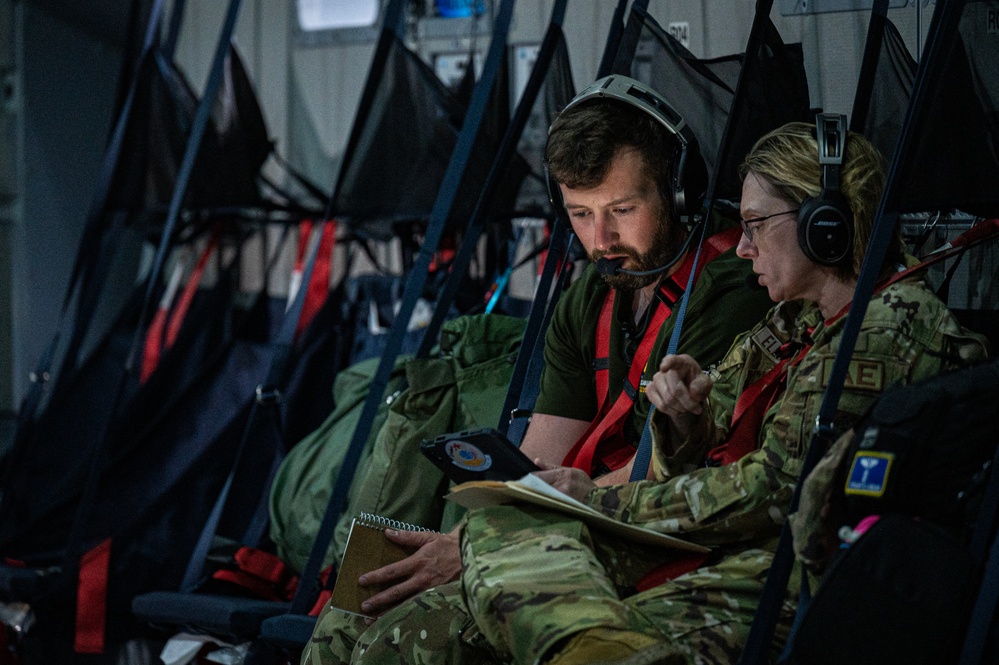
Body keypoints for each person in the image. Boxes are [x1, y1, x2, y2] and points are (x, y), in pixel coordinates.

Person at [335, 118, 989, 665]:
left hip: (769, 572)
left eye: (758, 224)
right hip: (695, 546)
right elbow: (697, 444)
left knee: (473, 577)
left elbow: (768, 492)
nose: (744, 247)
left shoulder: (884, 328)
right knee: (363, 592)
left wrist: (599, 502)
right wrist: (685, 421)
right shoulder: (793, 322)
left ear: (826, 227)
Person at [302, 76, 772, 663]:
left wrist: (474, 548)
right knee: (349, 606)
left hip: (643, 530)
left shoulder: (729, 288)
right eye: (580, 213)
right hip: (557, 523)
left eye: (623, 210)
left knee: (397, 638)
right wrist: (461, 542)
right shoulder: (587, 301)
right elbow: (539, 463)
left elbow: (662, 474)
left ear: (677, 196)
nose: (600, 239)